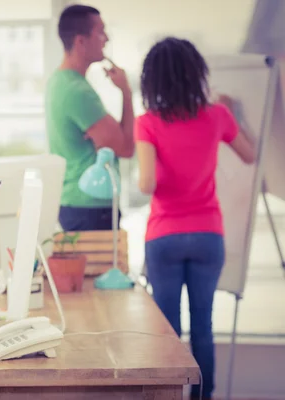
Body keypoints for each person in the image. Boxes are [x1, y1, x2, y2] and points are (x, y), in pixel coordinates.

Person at [135, 37, 256, 400]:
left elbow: (145, 184)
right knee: (203, 325)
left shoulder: (148, 123)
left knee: (168, 329)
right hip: (207, 236)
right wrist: (230, 111)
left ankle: (168, 395)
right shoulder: (217, 115)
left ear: (152, 80)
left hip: (164, 237)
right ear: (195, 75)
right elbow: (250, 155)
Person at [45, 4, 135, 232]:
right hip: (90, 206)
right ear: (80, 41)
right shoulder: (78, 91)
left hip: (77, 203)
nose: (106, 39)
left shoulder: (60, 82)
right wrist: (126, 91)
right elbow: (125, 147)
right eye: (101, 31)